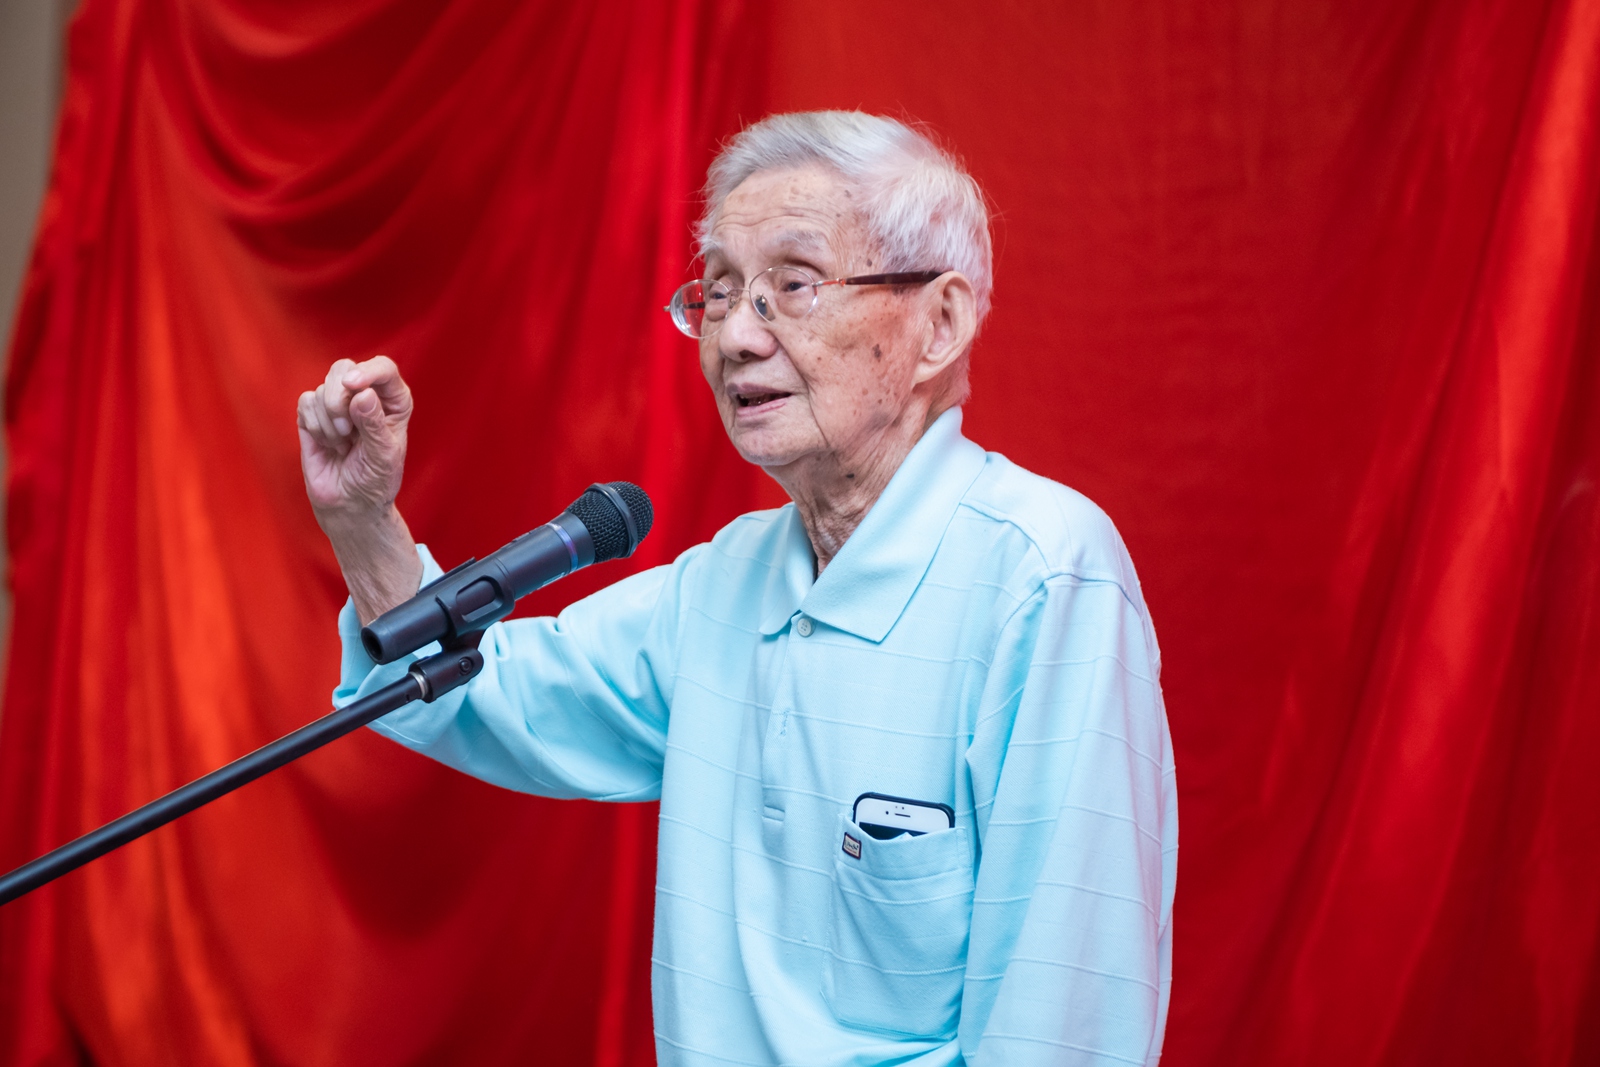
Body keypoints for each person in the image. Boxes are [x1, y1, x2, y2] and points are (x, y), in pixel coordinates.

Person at [297, 111, 1176, 1066]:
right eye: (718, 293)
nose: (738, 338)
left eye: (792, 286)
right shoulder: (725, 582)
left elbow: (1063, 1030)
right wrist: (364, 522)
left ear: (941, 324)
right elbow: (474, 690)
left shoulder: (1045, 576)